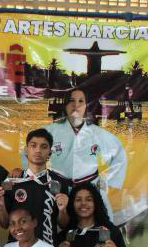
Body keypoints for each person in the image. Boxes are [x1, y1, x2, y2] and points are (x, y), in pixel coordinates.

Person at [44, 88, 127, 221]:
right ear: (65, 105)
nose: (76, 105)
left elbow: (119, 153)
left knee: (102, 222)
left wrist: (109, 181)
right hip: (59, 188)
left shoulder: (97, 133)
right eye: (71, 101)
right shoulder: (51, 131)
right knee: (55, 224)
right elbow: (29, 150)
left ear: (86, 106)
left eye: (81, 101)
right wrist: (34, 176)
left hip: (91, 186)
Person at [0, 128, 69, 246]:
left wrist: (63, 210)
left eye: (43, 147)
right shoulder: (11, 181)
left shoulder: (59, 182)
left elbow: (63, 225)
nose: (38, 150)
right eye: (33, 146)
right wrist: (0, 207)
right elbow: (4, 224)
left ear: (49, 153)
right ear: (26, 150)